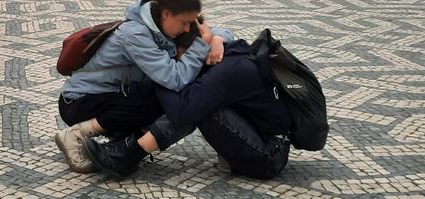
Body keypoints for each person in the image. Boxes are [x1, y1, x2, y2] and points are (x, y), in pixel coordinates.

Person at [54, 0, 230, 173]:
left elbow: (212, 30)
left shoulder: (165, 26)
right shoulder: (135, 34)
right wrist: (201, 46)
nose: (188, 29)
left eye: (191, 23)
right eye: (184, 22)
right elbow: (175, 79)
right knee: (161, 102)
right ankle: (75, 135)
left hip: (114, 96)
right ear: (166, 14)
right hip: (79, 102)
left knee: (163, 98)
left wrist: (217, 39)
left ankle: (122, 146)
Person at [84, 38, 291, 180]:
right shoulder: (225, 53)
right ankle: (128, 146)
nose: (177, 63)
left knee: (196, 108)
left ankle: (127, 156)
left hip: (269, 155)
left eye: (177, 57)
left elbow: (182, 111)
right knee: (192, 101)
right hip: (259, 138)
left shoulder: (224, 72)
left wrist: (162, 79)